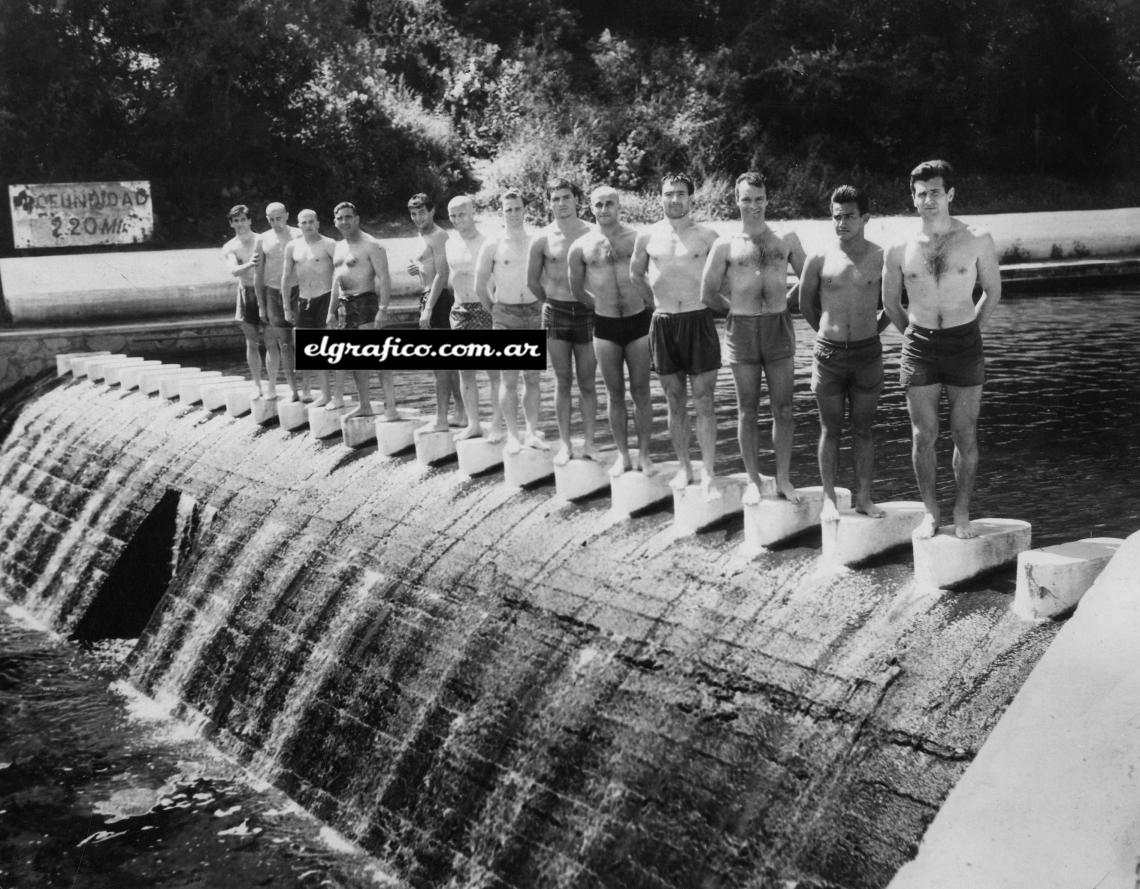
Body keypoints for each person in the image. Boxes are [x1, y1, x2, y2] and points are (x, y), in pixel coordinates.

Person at [882, 159, 1002, 539]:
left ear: (949, 194)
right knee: (923, 434)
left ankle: (962, 512)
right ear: (912, 198)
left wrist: (970, 331)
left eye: (935, 191)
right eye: (921, 193)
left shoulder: (977, 238)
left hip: (964, 341)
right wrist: (914, 337)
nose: (928, 199)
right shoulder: (899, 246)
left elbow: (992, 291)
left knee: (964, 432)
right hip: (919, 345)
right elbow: (890, 304)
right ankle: (931, 514)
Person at [702, 171, 807, 504]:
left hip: (778, 327)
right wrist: (734, 311)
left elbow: (810, 278)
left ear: (767, 199)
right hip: (742, 329)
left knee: (784, 408)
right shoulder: (725, 245)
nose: (753, 205)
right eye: (746, 199)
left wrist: (787, 302)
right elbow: (707, 293)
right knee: (747, 409)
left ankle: (784, 479)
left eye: (759, 198)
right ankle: (752, 480)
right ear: (736, 200)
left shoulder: (786, 239)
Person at [800, 185, 889, 520]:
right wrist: (826, 333)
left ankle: (865, 498)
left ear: (865, 217)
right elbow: (804, 304)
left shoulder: (882, 257)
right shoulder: (819, 258)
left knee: (864, 429)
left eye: (849, 216)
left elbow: (894, 302)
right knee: (830, 429)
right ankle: (828, 500)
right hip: (829, 356)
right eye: (836, 217)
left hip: (868, 354)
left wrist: (874, 330)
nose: (842, 222)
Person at [631, 173, 720, 494]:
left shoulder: (708, 236)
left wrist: (717, 304)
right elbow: (635, 274)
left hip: (698, 318)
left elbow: (722, 276)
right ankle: (685, 467)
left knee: (704, 399)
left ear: (691, 198)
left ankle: (708, 469)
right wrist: (654, 304)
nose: (675, 199)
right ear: (661, 197)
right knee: (674, 400)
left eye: (681, 193)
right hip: (664, 321)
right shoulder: (648, 237)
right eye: (669, 194)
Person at [568, 186, 654, 476]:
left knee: (641, 391)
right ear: (590, 208)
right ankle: (622, 455)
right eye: (598, 205)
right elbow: (577, 289)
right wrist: (601, 304)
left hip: (638, 321)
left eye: (609, 204)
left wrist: (650, 305)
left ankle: (644, 454)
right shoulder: (580, 247)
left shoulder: (638, 238)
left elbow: (652, 277)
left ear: (619, 206)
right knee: (614, 393)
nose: (604, 209)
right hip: (605, 326)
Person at [527, 177, 597, 465]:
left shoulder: (592, 233)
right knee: (562, 380)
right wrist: (550, 302)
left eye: (566, 197)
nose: (561, 203)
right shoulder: (542, 238)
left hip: (588, 314)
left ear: (576, 200)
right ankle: (566, 444)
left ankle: (591, 442)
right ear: (549, 202)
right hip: (555, 312)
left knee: (588, 381)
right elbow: (532, 281)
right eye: (555, 199)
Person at [474, 189, 546, 453]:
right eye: (508, 210)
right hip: (504, 314)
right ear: (501, 213)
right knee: (509, 380)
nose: (513, 214)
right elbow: (480, 284)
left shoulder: (537, 240)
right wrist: (493, 309)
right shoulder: (493, 244)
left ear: (524, 210)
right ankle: (513, 435)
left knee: (533, 378)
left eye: (517, 208)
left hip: (534, 313)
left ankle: (531, 432)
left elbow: (546, 277)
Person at [329, 201, 398, 421]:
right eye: (340, 218)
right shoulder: (339, 246)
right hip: (344, 305)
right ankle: (364, 405)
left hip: (366, 302)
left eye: (348, 217)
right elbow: (336, 280)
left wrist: (383, 309)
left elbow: (385, 277)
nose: (344, 222)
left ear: (357, 218)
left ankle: (391, 408)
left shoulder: (371, 244)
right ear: (335, 221)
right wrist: (331, 311)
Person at [446, 195, 503, 441]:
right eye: (453, 215)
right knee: (465, 371)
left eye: (462, 214)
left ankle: (498, 425)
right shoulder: (450, 243)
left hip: (485, 308)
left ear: (472, 213)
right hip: (460, 310)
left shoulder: (488, 242)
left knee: (494, 372)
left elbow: (500, 277)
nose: (458, 219)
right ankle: (474, 424)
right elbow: (451, 278)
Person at [407, 193, 464, 430]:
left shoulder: (439, 235)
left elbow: (442, 273)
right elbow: (428, 271)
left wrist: (428, 308)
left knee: (441, 365)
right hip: (429, 297)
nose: (418, 217)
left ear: (432, 211)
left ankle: (441, 419)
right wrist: (416, 270)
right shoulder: (422, 235)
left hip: (439, 301)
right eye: (413, 213)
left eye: (422, 212)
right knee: (445, 365)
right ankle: (462, 413)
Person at [282, 208, 335, 405]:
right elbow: (286, 278)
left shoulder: (329, 244)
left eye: (311, 221)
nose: (307, 226)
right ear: (298, 225)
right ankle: (311, 391)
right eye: (303, 222)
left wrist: (337, 304)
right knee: (305, 348)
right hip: (304, 300)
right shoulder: (292, 247)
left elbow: (340, 273)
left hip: (326, 297)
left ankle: (330, 394)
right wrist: (286, 306)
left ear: (318, 223)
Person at [255, 201, 301, 401]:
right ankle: (286, 388)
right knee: (281, 343)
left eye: (279, 218)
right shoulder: (263, 239)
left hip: (298, 291)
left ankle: (306, 386)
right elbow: (258, 275)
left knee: (301, 340)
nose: (276, 223)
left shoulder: (299, 234)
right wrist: (260, 304)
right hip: (273, 293)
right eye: (271, 219)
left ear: (287, 215)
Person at [220, 204, 266, 398]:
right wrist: (250, 263)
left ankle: (274, 381)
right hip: (246, 292)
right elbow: (233, 270)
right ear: (231, 223)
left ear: (249, 220)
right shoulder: (230, 246)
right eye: (236, 220)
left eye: (243, 219)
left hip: (267, 291)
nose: (240, 224)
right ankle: (257, 385)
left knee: (276, 340)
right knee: (252, 341)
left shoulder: (263, 240)